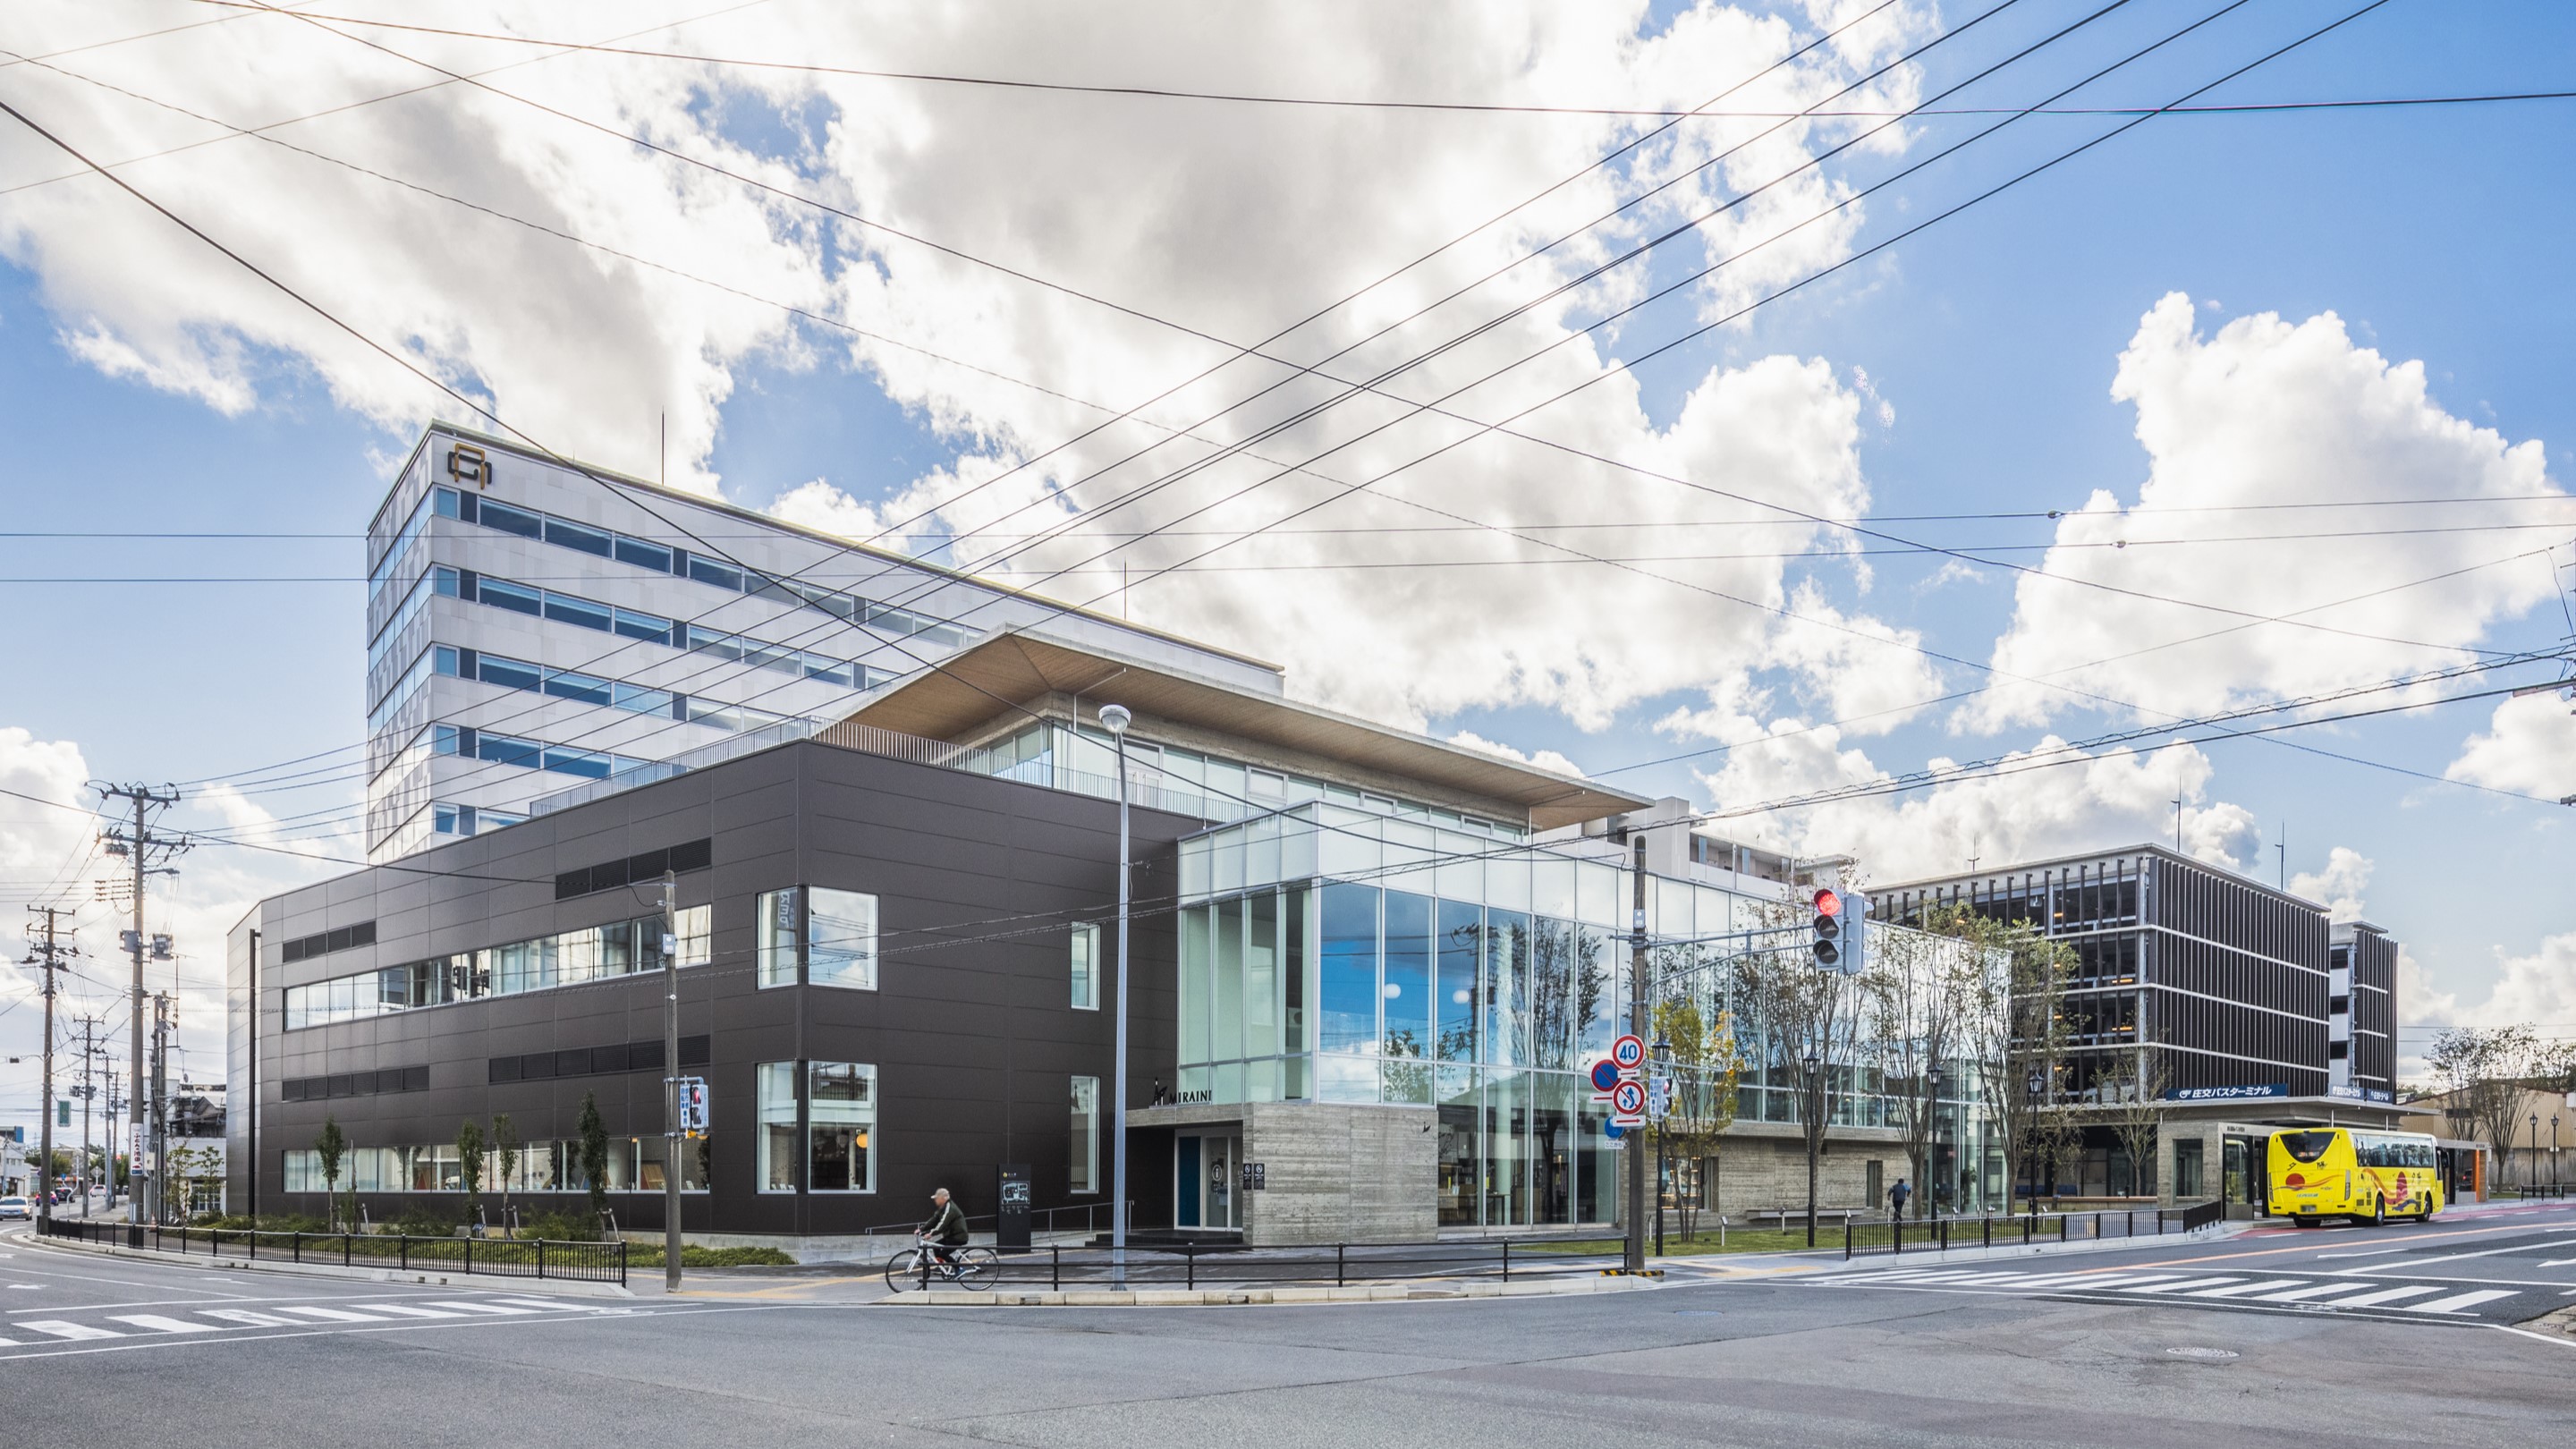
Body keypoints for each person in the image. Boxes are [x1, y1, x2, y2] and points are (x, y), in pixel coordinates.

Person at [919, 1187, 969, 1273]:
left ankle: (959, 1269)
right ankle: (941, 1267)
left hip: (958, 1237)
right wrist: (921, 1229)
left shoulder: (950, 1208)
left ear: (943, 1198)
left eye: (937, 1198)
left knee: (944, 1254)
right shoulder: (943, 1208)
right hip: (951, 1236)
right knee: (935, 1246)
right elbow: (934, 1220)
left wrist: (931, 1234)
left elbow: (942, 1223)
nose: (935, 1200)